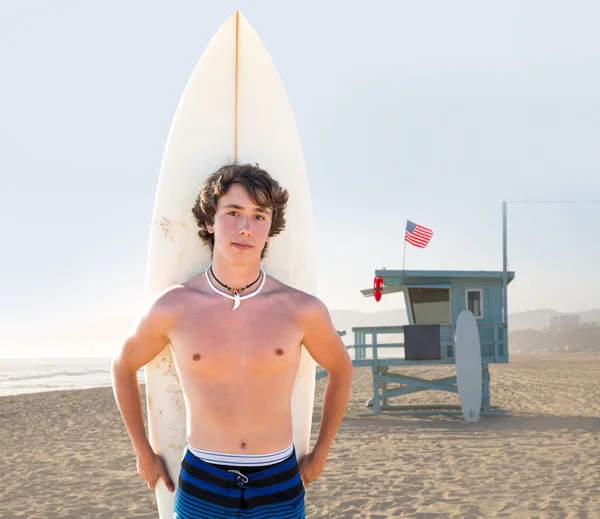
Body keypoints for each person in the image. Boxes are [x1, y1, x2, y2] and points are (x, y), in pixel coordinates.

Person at [111, 163, 354, 518]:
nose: (245, 227)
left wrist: (321, 453)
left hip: (278, 478)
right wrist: (142, 452)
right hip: (203, 476)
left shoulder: (301, 310)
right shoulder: (174, 306)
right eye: (233, 212)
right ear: (211, 221)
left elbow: (341, 370)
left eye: (259, 216)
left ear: (271, 227)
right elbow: (122, 366)